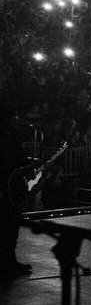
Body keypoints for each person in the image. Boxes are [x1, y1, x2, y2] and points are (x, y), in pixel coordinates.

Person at [0, 105, 32, 280]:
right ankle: (6, 263)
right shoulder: (6, 137)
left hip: (11, 186)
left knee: (11, 228)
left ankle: (10, 261)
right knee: (7, 228)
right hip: (7, 188)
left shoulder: (12, 135)